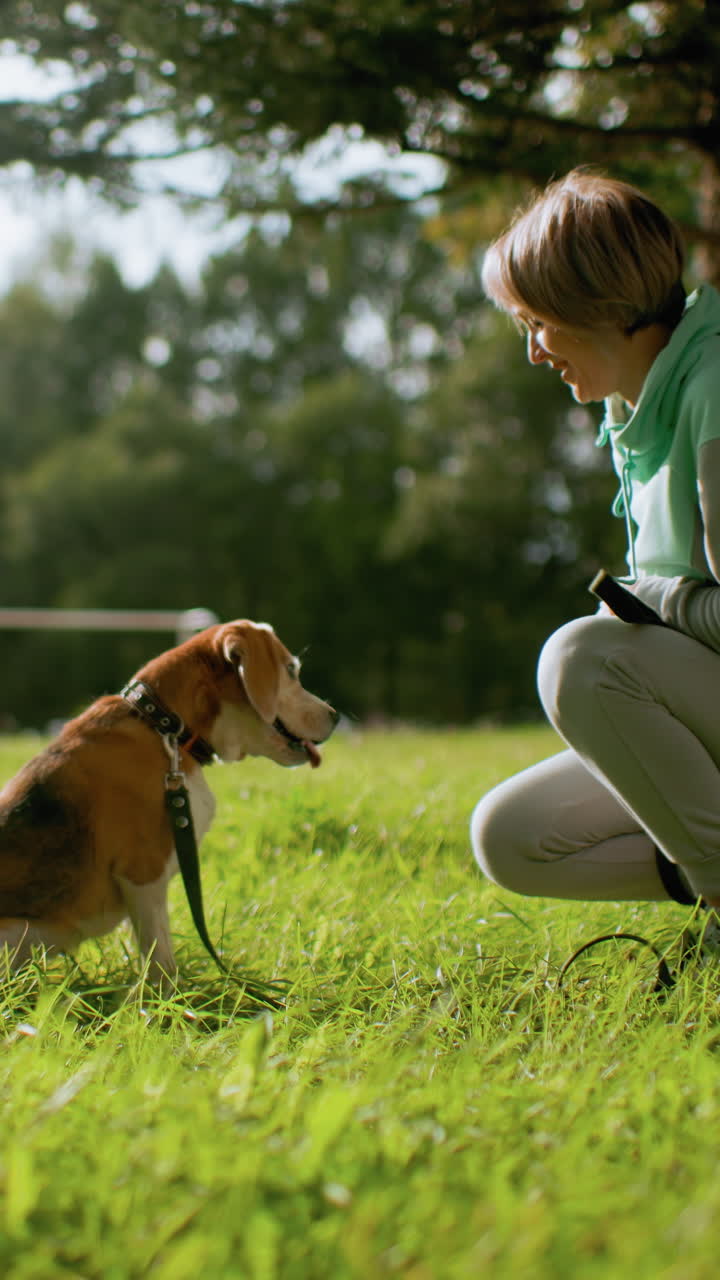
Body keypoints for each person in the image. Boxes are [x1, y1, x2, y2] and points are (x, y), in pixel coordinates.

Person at [470, 167, 720, 924]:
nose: (535, 352)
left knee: (582, 657)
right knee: (512, 836)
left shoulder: (713, 387)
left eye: (537, 322)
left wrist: (652, 601)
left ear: (599, 306)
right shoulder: (635, 406)